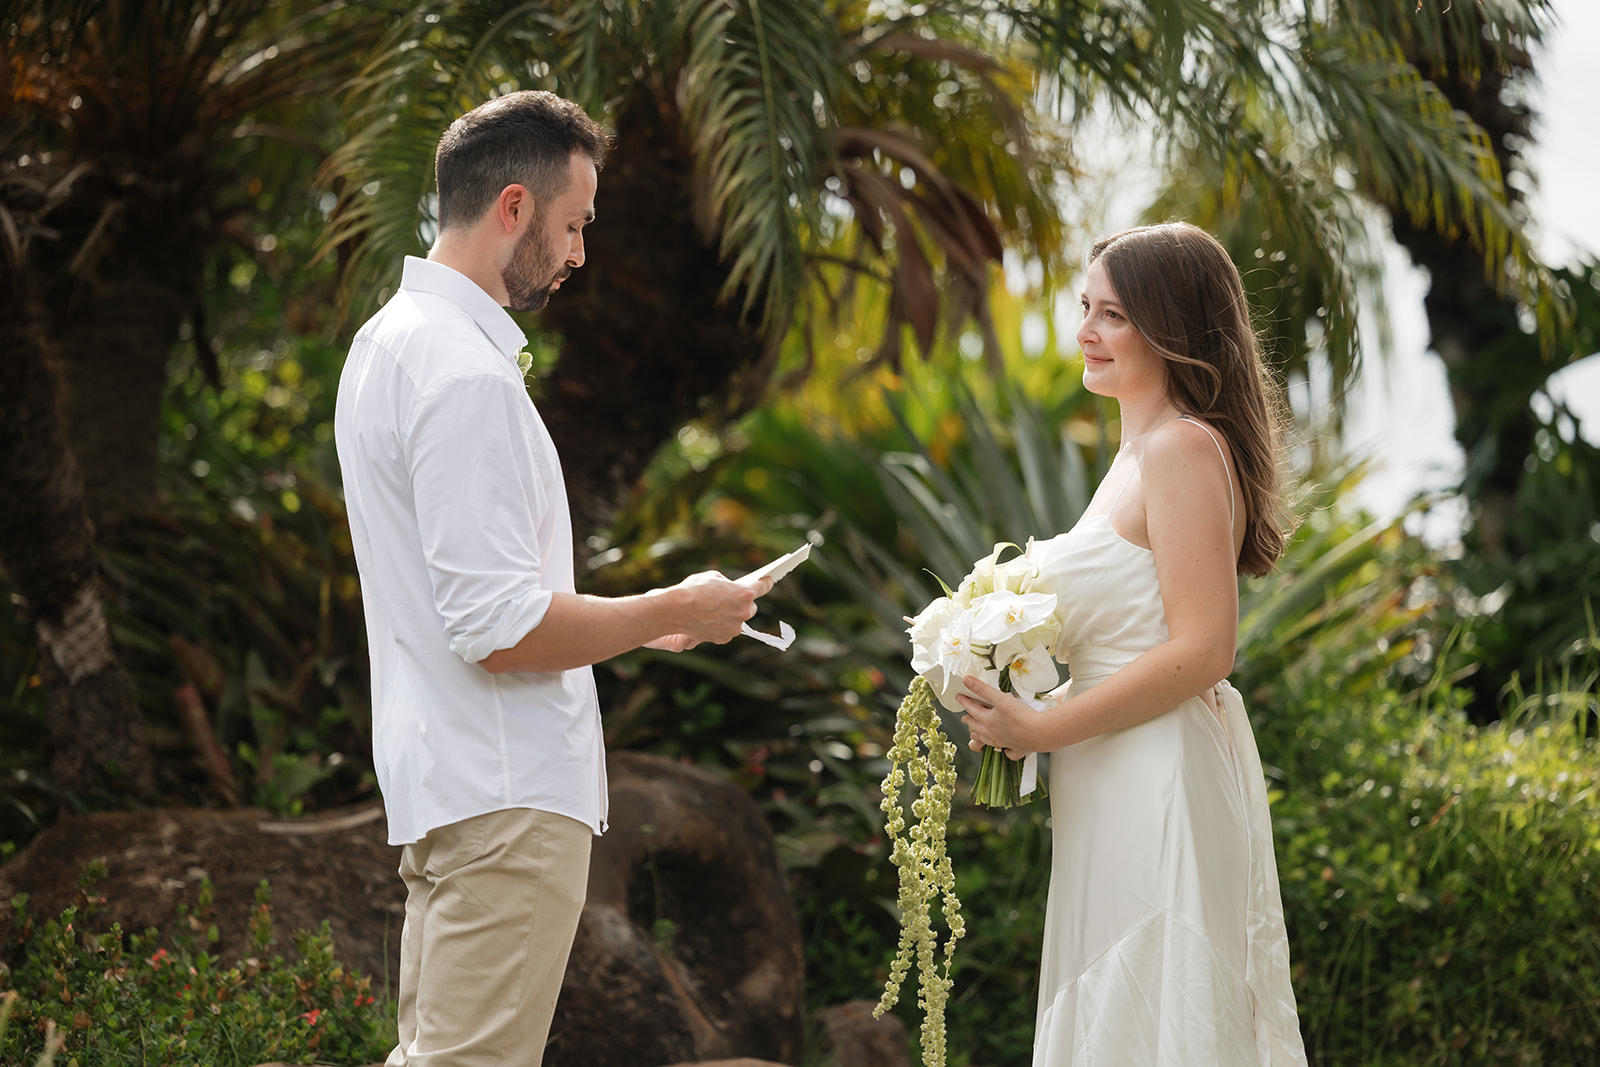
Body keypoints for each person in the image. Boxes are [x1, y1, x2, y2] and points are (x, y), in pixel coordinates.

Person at [334, 91, 769, 1067]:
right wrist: (673, 604)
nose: (578, 254)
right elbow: (496, 626)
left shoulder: (386, 347)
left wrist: (641, 624)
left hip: (453, 781)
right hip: (503, 793)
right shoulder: (464, 375)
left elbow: (472, 599)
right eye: (575, 225)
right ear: (516, 207)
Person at [956, 222, 1309, 1065]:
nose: (1084, 331)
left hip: (1159, 779)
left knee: (1160, 1008)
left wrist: (1042, 729)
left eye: (1110, 314)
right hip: (1107, 779)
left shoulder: (1183, 448)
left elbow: (1202, 650)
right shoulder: (1132, 457)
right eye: (1086, 307)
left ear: (1171, 329)